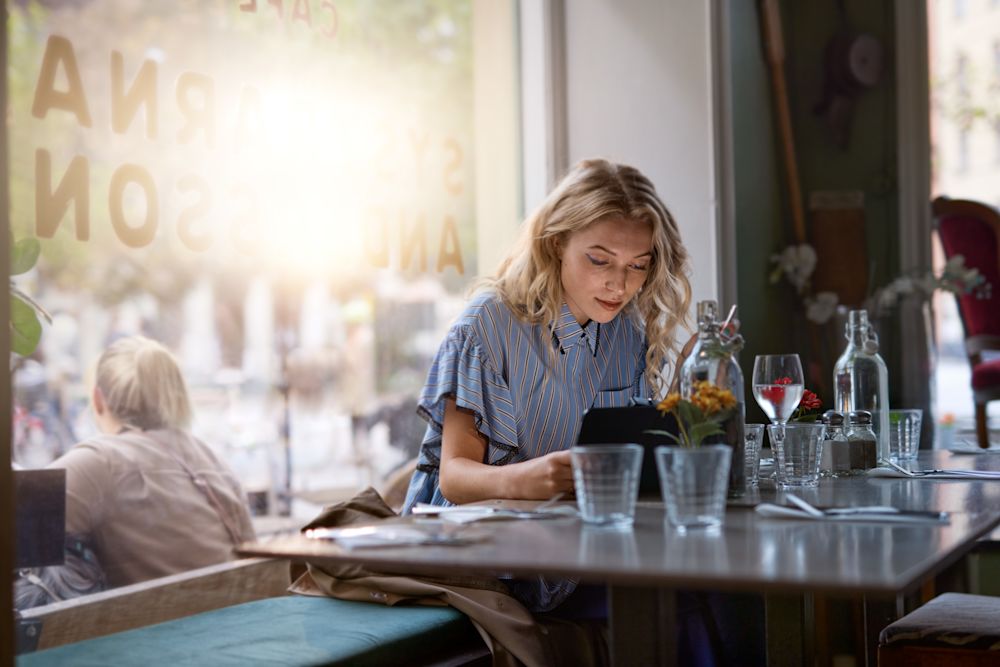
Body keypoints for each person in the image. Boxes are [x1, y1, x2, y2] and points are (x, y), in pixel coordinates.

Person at [402, 158, 692, 610]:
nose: (619, 284)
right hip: (471, 551)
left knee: (699, 594)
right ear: (557, 242)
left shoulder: (627, 332)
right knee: (663, 606)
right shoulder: (489, 323)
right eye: (599, 260)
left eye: (638, 266)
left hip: (566, 540)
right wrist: (531, 479)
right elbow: (454, 477)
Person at [17, 336, 256, 607]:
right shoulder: (211, 457)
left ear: (98, 400)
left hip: (164, 642)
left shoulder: (102, 462)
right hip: (237, 629)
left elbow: (12, 526)